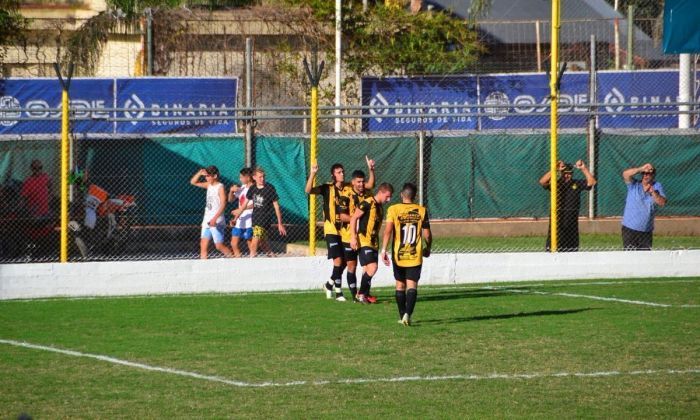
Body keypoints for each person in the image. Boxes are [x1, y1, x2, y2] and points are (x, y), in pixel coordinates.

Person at [305, 156, 375, 301]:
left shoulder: (349, 186)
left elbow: (369, 185)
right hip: (331, 229)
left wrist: (371, 169)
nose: (342, 174)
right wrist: (313, 173)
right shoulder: (327, 188)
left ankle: (330, 285)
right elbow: (308, 190)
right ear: (333, 175)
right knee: (338, 262)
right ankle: (338, 293)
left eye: (342, 171)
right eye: (339, 172)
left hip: (344, 231)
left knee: (343, 262)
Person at [381, 183, 432, 326]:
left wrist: (383, 250)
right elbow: (427, 234)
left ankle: (402, 314)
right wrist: (428, 247)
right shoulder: (422, 211)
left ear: (402, 195)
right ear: (415, 196)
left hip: (399, 255)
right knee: (412, 286)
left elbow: (388, 231)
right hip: (414, 256)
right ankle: (407, 315)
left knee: (399, 285)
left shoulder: (393, 209)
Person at [539, 160, 596, 252]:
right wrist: (554, 169)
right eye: (565, 173)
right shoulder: (556, 184)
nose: (567, 175)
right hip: (557, 221)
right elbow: (542, 182)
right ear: (561, 173)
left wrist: (583, 168)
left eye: (569, 173)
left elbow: (592, 182)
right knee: (553, 248)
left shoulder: (576, 183)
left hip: (572, 222)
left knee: (572, 250)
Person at [350, 182, 393, 304]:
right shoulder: (367, 202)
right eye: (387, 196)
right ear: (381, 192)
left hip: (374, 242)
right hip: (364, 240)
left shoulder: (380, 207)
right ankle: (361, 294)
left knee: (367, 269)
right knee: (373, 267)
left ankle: (366, 294)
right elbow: (353, 218)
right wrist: (353, 237)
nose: (388, 200)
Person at [338, 169, 375, 302]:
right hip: (349, 236)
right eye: (358, 182)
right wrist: (356, 218)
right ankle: (354, 295)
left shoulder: (368, 194)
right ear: (353, 182)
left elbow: (372, 184)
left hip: (364, 237)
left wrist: (371, 171)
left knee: (367, 266)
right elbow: (342, 216)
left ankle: (364, 293)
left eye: (362, 181)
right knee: (352, 266)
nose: (361, 184)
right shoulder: (346, 195)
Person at [621, 163, 667, 250]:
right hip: (630, 229)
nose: (646, 175)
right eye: (644, 173)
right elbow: (625, 174)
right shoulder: (634, 185)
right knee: (629, 258)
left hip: (646, 231)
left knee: (645, 259)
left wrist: (653, 193)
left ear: (653, 175)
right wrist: (641, 168)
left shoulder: (657, 186)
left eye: (649, 173)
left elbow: (662, 203)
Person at [190, 165, 233, 259]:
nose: (206, 177)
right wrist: (199, 173)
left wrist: (214, 218)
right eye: (206, 176)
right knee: (203, 244)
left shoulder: (220, 187)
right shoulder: (208, 185)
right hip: (207, 219)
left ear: (215, 176)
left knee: (219, 246)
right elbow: (193, 182)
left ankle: (233, 260)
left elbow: (223, 204)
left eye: (208, 176)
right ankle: (203, 265)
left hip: (216, 220)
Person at [246, 166, 286, 257]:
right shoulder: (252, 188)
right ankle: (272, 257)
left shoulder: (269, 188)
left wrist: (280, 223)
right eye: (260, 177)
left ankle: (251, 259)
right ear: (254, 177)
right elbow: (247, 203)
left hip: (264, 219)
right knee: (263, 243)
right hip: (255, 219)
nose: (262, 179)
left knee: (254, 242)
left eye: (264, 176)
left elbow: (276, 206)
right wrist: (237, 214)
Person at [228, 167, 254, 257]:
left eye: (241, 177)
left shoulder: (255, 188)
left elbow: (256, 204)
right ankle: (238, 260)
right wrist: (231, 191)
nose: (240, 179)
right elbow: (230, 200)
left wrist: (242, 209)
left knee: (249, 242)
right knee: (233, 243)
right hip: (240, 219)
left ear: (248, 177)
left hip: (250, 220)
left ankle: (253, 260)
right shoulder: (242, 188)